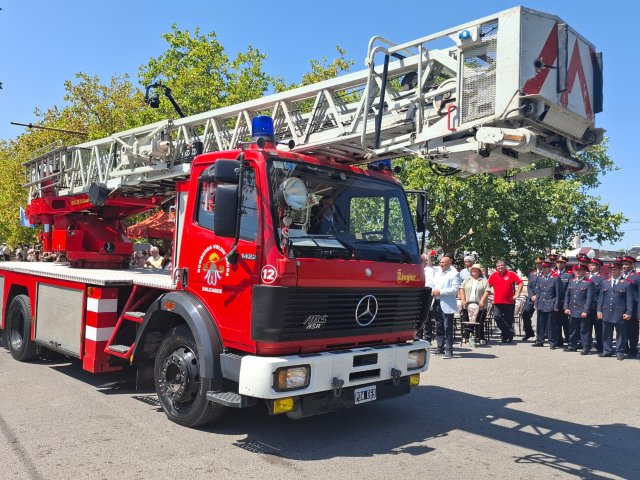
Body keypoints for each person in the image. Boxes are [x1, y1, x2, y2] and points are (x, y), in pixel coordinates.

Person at [597, 261, 634, 360]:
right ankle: (607, 350)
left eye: (615, 269)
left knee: (620, 333)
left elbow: (629, 300)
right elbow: (601, 298)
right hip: (606, 311)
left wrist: (629, 312)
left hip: (619, 312)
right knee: (606, 333)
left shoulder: (627, 283)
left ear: (620, 270)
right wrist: (599, 310)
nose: (613, 271)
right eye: (611, 269)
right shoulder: (605, 282)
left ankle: (620, 351)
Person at [431, 253, 461, 358]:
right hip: (436, 302)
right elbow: (433, 285)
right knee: (438, 326)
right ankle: (440, 348)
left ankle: (449, 350)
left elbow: (455, 289)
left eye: (443, 262)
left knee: (448, 327)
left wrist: (440, 292)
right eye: (440, 262)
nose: (441, 264)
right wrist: (432, 291)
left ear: (449, 263)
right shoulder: (438, 273)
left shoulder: (454, 274)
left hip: (447, 304)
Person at [488, 260, 523, 343]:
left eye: (502, 265)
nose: (500, 267)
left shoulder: (511, 274)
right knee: (497, 317)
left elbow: (520, 283)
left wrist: (517, 294)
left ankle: (505, 336)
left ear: (505, 266)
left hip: (509, 302)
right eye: (498, 266)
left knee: (508, 320)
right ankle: (509, 333)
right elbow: (487, 286)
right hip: (497, 302)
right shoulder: (494, 275)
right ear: (496, 267)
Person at [563, 262, 594, 353]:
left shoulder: (588, 283)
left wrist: (586, 310)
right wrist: (566, 307)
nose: (578, 272)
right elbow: (567, 295)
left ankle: (586, 347)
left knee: (584, 330)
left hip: (582, 310)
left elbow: (589, 298)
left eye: (580, 270)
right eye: (576, 270)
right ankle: (572, 345)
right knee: (572, 329)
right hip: (572, 309)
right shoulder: (571, 281)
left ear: (584, 272)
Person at [459, 263, 489, 345]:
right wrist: (463, 299)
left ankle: (481, 337)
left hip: (480, 304)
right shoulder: (467, 279)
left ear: (479, 271)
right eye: (472, 270)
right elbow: (461, 288)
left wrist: (482, 300)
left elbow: (487, 291)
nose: (474, 271)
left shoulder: (483, 280)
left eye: (476, 270)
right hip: (467, 304)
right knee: (466, 321)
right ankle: (466, 337)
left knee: (479, 322)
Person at [532, 261, 561, 348]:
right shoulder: (540, 278)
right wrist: (536, 303)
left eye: (544, 268)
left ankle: (552, 342)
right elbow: (538, 292)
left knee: (551, 325)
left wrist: (556, 305)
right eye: (542, 268)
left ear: (549, 268)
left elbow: (558, 293)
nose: (543, 269)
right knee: (540, 323)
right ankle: (539, 340)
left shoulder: (555, 278)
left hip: (550, 304)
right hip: (541, 303)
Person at [620, 255, 639, 357]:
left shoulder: (637, 277)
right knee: (623, 329)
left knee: (633, 330)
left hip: (634, 308)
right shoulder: (620, 276)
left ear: (632, 265)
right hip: (622, 307)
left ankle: (633, 349)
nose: (624, 266)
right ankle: (624, 347)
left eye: (626, 264)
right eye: (623, 264)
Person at [521, 256, 544, 341]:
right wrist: (531, 296)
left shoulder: (546, 273)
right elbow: (529, 286)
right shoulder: (532, 274)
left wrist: (537, 296)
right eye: (537, 263)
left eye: (540, 263)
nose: (538, 265)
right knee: (525, 314)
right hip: (531, 299)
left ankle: (541, 336)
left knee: (541, 318)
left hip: (542, 299)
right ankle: (529, 332)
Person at [417, 252, 436, 341]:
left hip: (427, 293)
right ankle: (418, 336)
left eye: (422, 260)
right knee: (418, 316)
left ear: (426, 260)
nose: (421, 261)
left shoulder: (430, 270)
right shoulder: (416, 268)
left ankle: (427, 338)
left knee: (427, 317)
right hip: (418, 293)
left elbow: (432, 283)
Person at [587, 257, 605, 352]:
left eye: (593, 265)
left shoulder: (602, 278)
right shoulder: (586, 276)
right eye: (589, 264)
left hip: (596, 305)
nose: (590, 266)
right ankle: (587, 344)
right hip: (586, 306)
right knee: (587, 326)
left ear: (598, 266)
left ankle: (600, 345)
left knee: (598, 327)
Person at [554, 255, 572, 346]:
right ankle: (558, 340)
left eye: (561, 262)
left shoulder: (569, 275)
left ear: (565, 264)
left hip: (565, 302)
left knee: (565, 322)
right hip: (555, 302)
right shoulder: (553, 274)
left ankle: (568, 339)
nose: (559, 264)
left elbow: (569, 290)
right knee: (556, 322)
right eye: (558, 262)